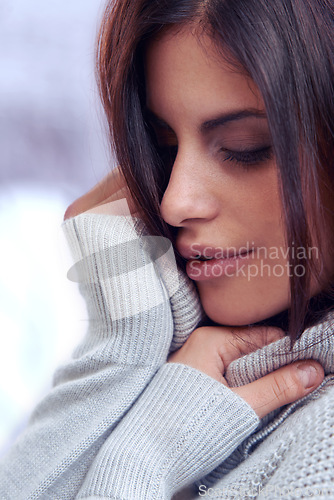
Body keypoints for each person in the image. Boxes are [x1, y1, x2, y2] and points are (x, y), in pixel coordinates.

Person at [0, 0, 333, 498]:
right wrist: (124, 344)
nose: (175, 202)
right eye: (163, 147)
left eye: (245, 147)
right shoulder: (174, 374)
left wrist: (142, 458)